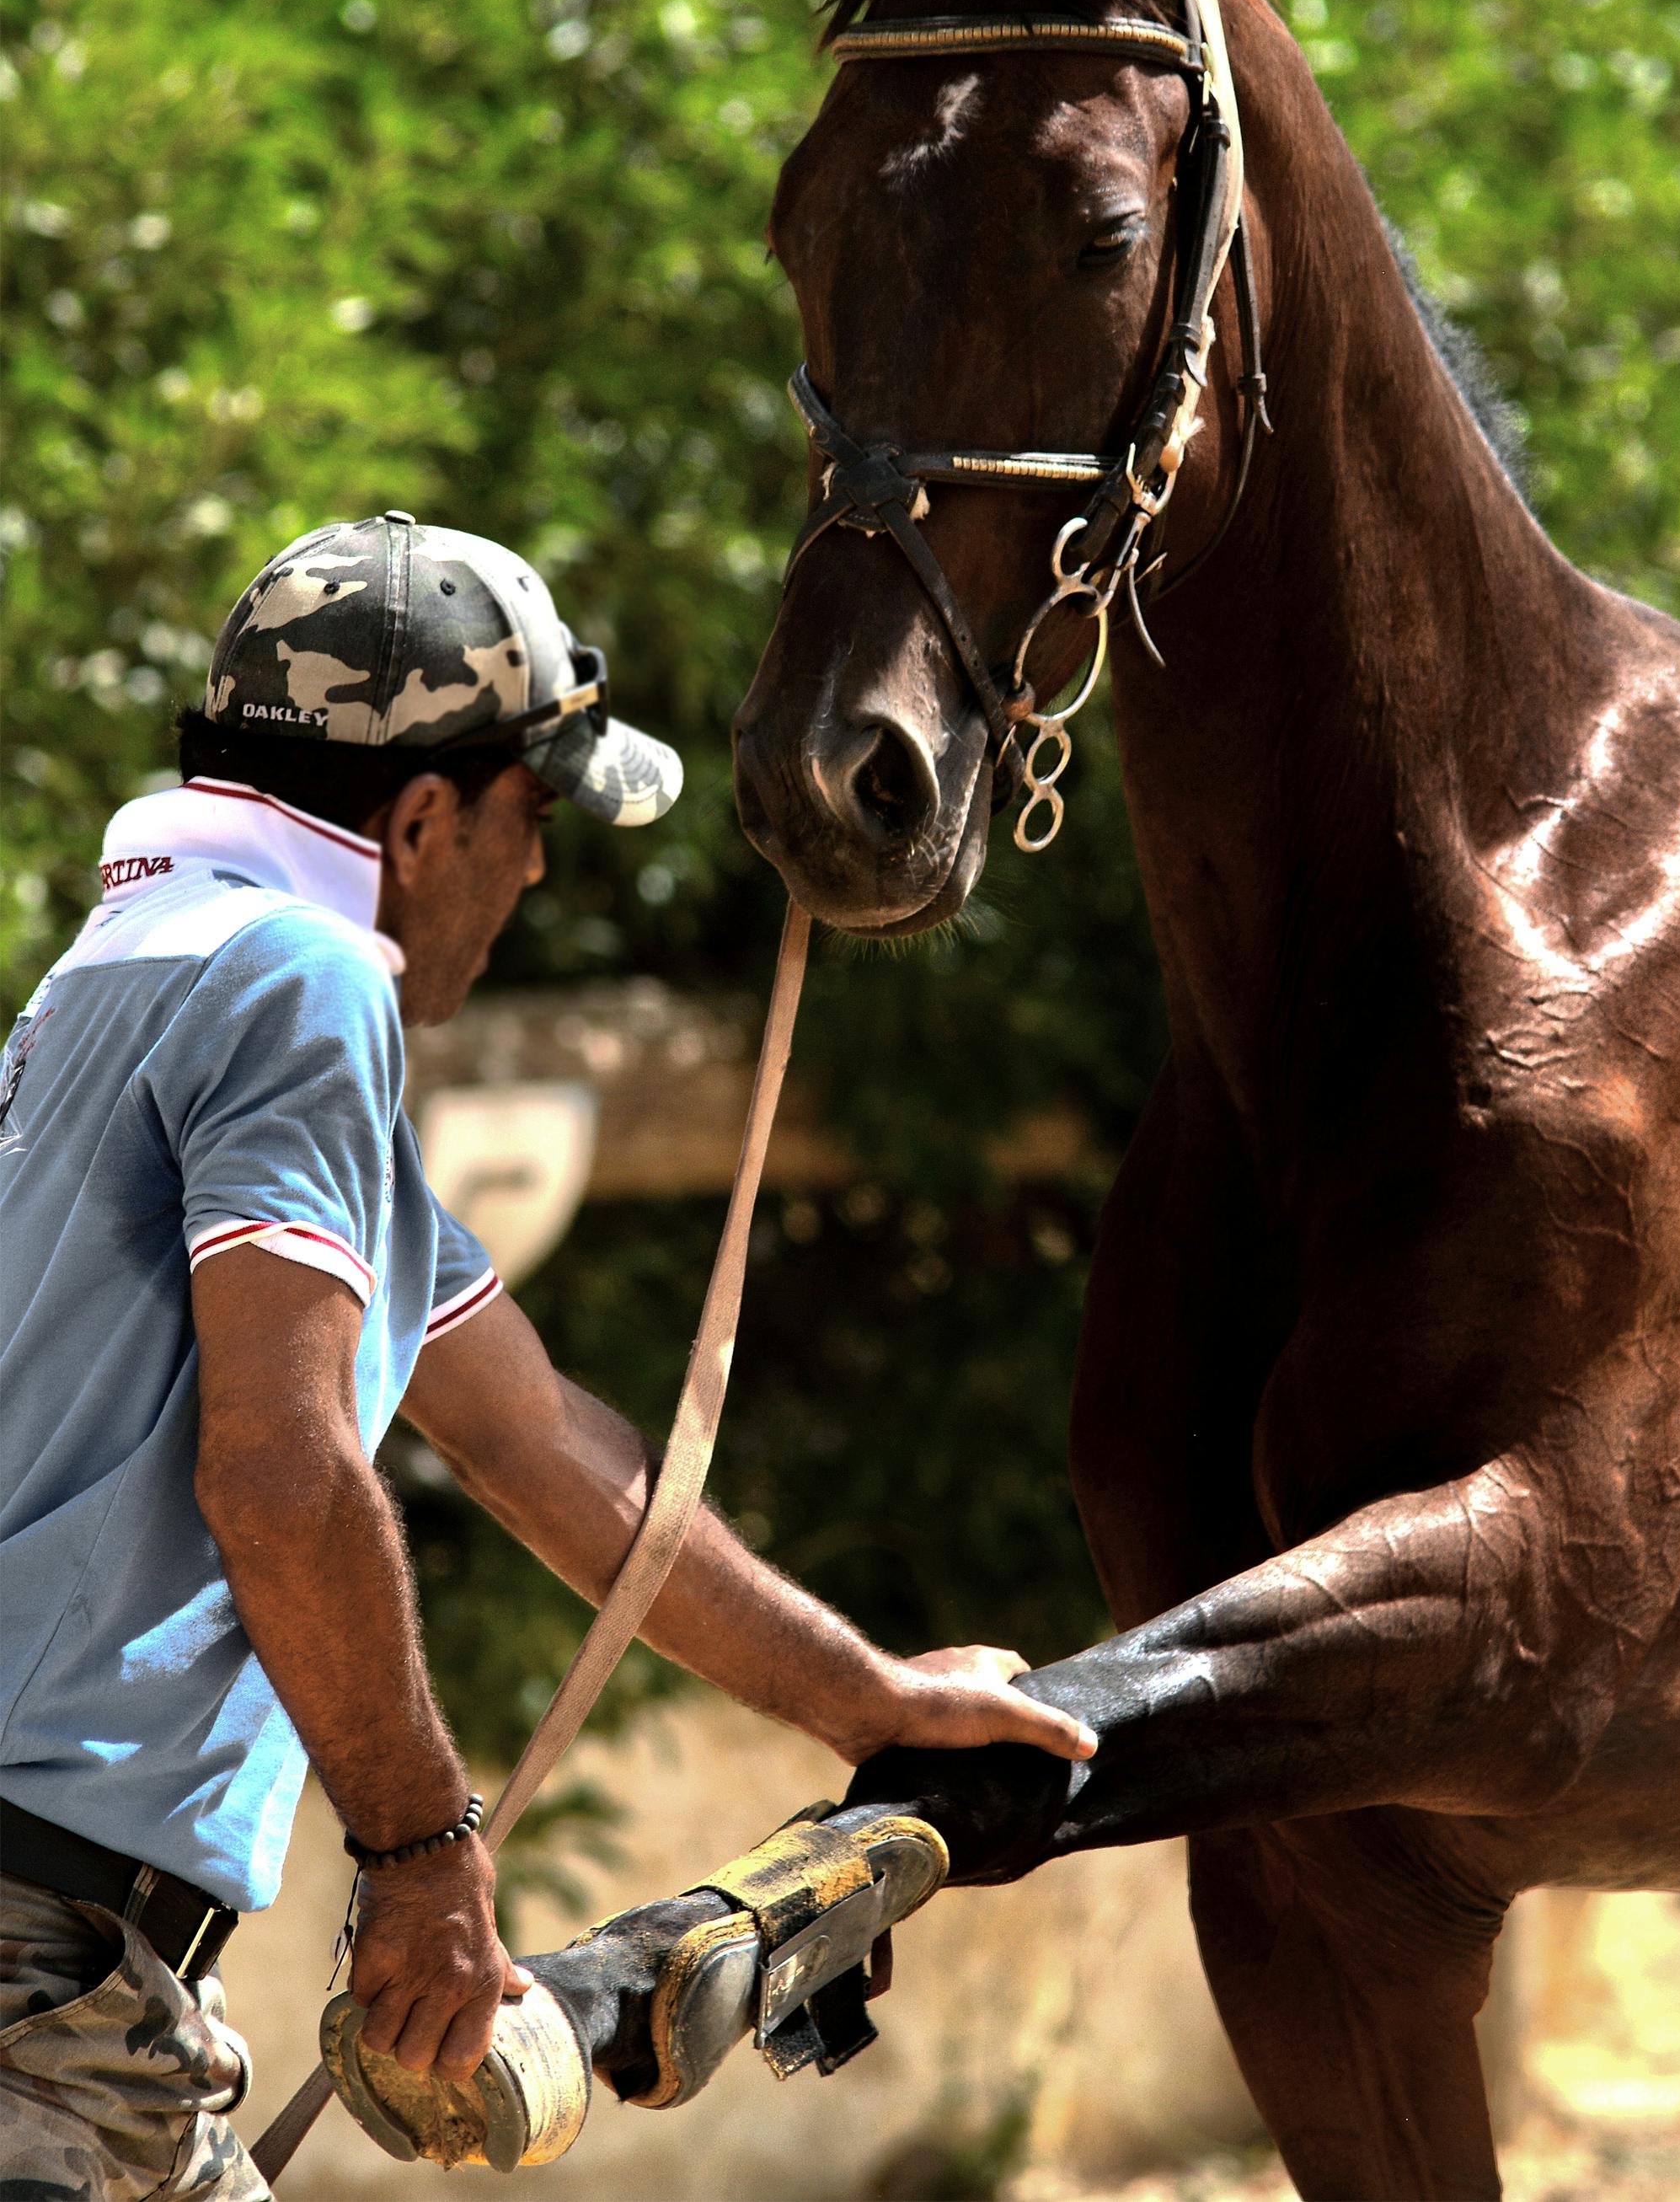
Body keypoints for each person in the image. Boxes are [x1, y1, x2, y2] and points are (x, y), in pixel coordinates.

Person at [0, 513, 1092, 2199]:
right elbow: (282, 1474)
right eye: (534, 814)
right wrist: (425, 1856)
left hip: (72, 1986)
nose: (537, 871)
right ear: (422, 818)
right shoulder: (300, 983)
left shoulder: (131, 974)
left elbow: (534, 1438)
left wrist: (858, 1697)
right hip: (36, 1978)